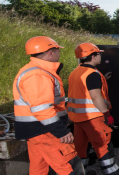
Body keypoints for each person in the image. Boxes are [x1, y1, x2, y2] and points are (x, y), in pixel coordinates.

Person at [12, 36, 84, 175]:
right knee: (70, 166)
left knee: (39, 169)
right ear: (50, 52)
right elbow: (42, 109)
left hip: (37, 131)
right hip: (46, 131)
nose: (59, 54)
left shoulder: (33, 70)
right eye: (58, 51)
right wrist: (60, 131)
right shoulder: (38, 74)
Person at [67, 43, 119, 174]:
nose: (100, 56)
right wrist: (107, 114)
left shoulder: (75, 72)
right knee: (103, 145)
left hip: (78, 119)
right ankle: (111, 172)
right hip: (93, 119)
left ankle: (81, 171)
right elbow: (95, 97)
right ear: (93, 56)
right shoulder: (92, 74)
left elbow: (82, 92)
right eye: (99, 54)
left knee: (81, 147)